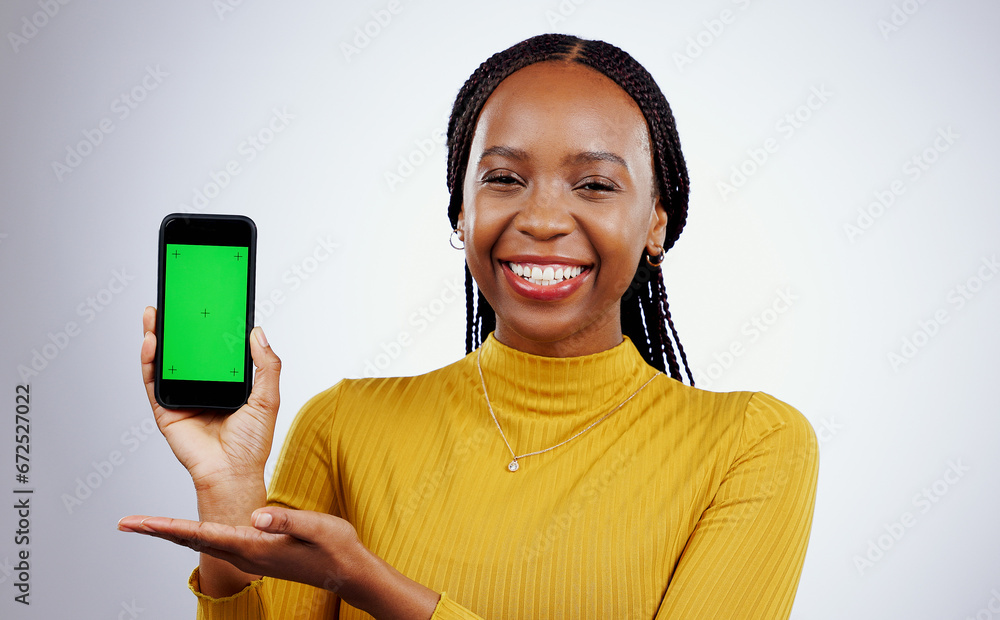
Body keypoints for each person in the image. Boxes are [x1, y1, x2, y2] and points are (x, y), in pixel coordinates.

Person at [119, 33, 819, 619]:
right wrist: (229, 486)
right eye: (503, 179)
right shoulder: (343, 426)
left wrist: (369, 584)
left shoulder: (752, 446)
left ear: (657, 221)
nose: (542, 219)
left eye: (595, 184)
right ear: (461, 211)